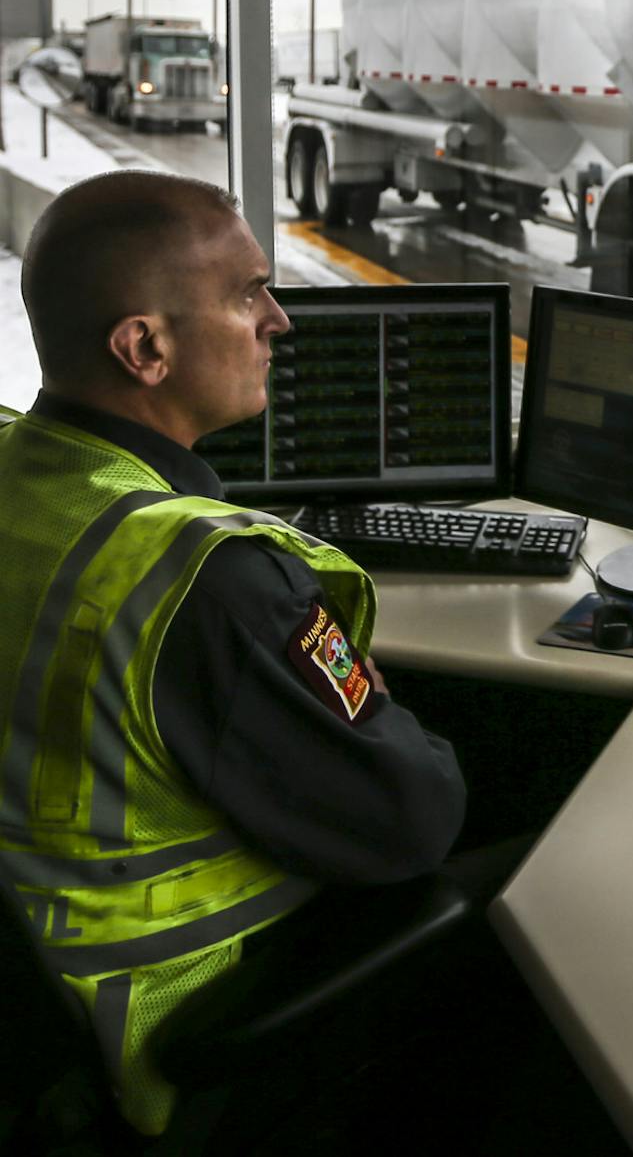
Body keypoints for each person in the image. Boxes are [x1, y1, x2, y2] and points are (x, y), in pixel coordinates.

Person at [0, 171, 466, 1138]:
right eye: (249, 293)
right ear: (146, 348)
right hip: (168, 1034)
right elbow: (413, 820)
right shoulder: (204, 579)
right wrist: (364, 699)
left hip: (31, 1002)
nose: (278, 322)